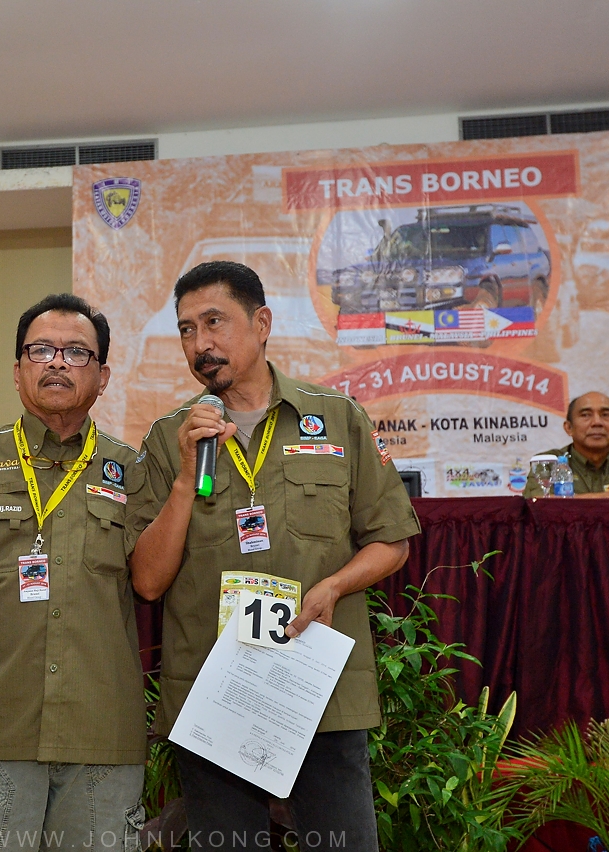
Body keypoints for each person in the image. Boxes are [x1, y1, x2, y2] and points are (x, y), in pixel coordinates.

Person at [127, 261, 420, 852]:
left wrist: (335, 585)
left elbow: (392, 541)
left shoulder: (336, 417)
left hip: (319, 690)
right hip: (216, 693)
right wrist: (185, 477)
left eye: (214, 322)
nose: (200, 343)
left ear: (261, 323)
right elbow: (149, 582)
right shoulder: (168, 438)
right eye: (186, 329)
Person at [0, 294, 146, 852]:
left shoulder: (133, 470)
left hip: (100, 730)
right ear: (17, 371)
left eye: (77, 352)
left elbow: (150, 585)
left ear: (103, 376)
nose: (57, 362)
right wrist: (2, 658)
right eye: (40, 350)